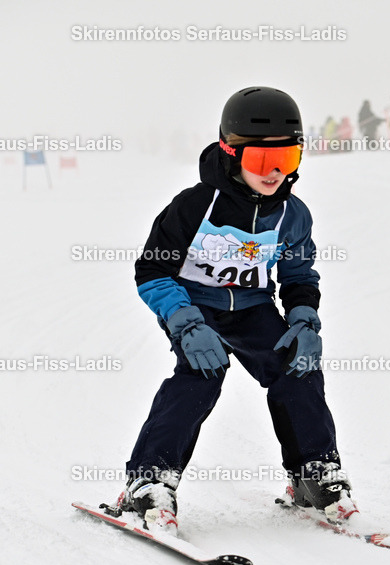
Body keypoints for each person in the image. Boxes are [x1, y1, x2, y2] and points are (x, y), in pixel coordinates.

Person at [122, 86, 357, 535]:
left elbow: (299, 274)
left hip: (251, 307)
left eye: (286, 161)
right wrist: (186, 325)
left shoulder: (292, 213)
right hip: (193, 308)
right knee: (201, 373)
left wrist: (304, 320)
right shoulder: (193, 207)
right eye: (260, 162)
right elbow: (151, 271)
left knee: (298, 367)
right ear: (231, 154)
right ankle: (148, 480)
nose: (274, 174)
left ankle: (313, 473)